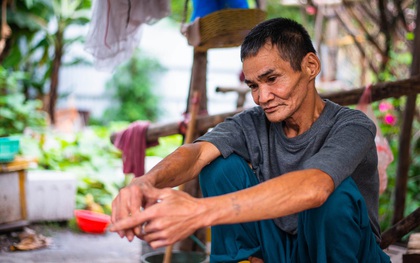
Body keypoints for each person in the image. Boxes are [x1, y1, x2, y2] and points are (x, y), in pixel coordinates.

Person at [110, 17, 391, 263]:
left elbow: (315, 187)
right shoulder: (253, 122)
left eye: (272, 79)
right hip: (283, 251)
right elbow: (195, 154)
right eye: (254, 85)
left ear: (310, 66)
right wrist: (144, 183)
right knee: (219, 167)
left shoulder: (352, 125)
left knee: (332, 196)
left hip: (348, 253)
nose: (262, 97)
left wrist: (196, 212)